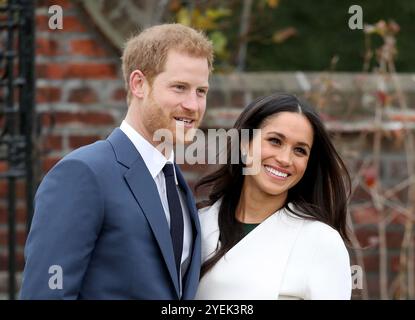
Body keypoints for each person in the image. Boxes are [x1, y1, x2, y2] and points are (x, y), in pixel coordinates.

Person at [20, 23, 213, 299]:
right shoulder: (83, 173)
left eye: (201, 91)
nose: (193, 105)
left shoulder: (178, 187)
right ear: (138, 84)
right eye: (179, 87)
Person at [194, 93, 352, 300]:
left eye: (300, 150)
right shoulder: (198, 224)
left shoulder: (321, 242)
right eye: (275, 141)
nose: (285, 159)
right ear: (244, 143)